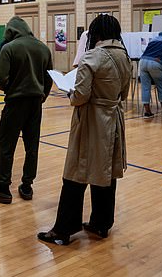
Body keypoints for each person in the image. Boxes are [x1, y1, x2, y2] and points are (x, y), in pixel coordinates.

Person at [38, 15, 132, 245]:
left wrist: (69, 92)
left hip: (92, 120)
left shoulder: (93, 56)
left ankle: (64, 229)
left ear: (95, 34)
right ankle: (101, 224)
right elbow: (124, 94)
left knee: (76, 172)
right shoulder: (124, 56)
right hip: (113, 119)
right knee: (106, 171)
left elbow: (79, 96)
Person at [0, 16, 53, 204]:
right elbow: (49, 79)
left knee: (6, 143)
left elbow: (1, 80)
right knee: (32, 144)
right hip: (35, 104)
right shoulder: (43, 48)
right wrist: (42, 96)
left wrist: (12, 89)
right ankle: (27, 185)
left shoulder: (9, 48)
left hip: (15, 103)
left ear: (11, 32)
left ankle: (4, 188)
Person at [139, 31, 162, 118]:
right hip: (156, 63)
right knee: (160, 87)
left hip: (143, 61)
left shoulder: (152, 41)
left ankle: (147, 112)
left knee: (145, 87)